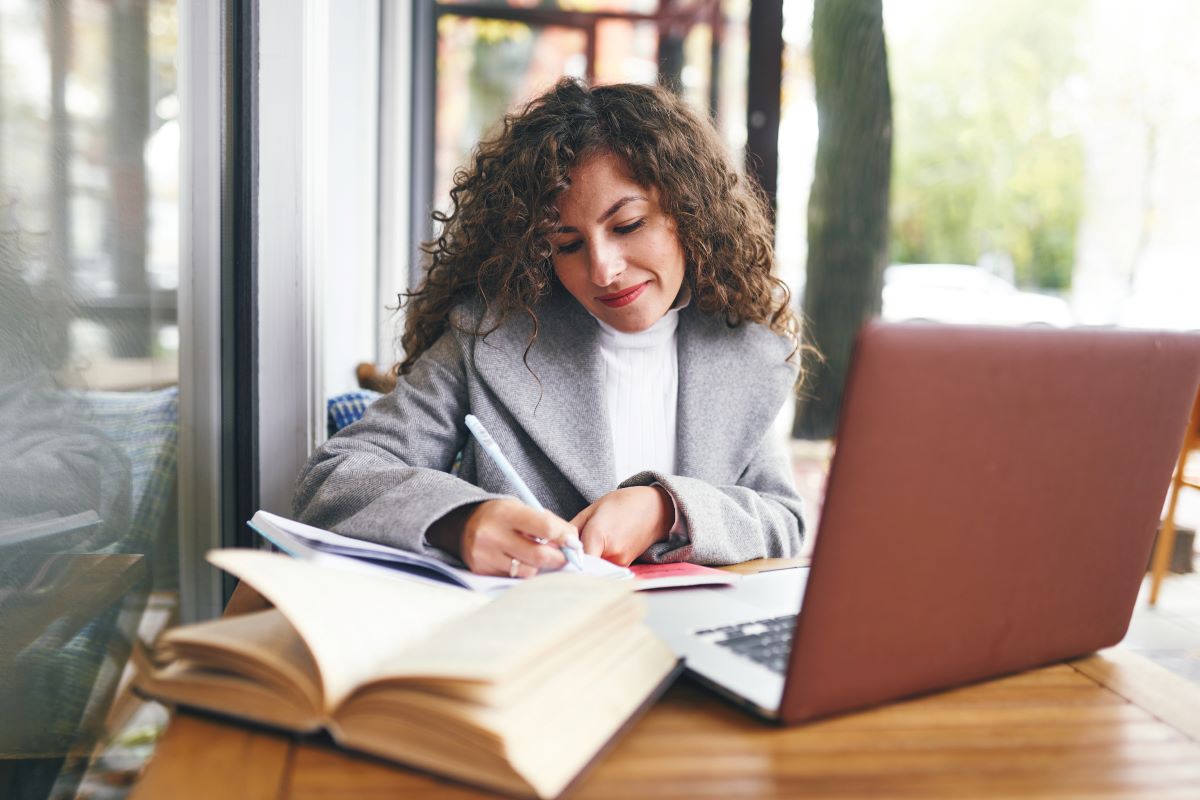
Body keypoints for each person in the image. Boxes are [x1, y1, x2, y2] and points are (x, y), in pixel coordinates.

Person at [294, 78, 807, 577]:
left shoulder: (743, 350)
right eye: (567, 244)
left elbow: (783, 520)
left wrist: (664, 510)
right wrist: (461, 520)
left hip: (690, 642)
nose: (603, 269)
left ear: (690, 213)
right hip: (531, 643)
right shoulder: (492, 336)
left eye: (627, 226)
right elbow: (333, 476)